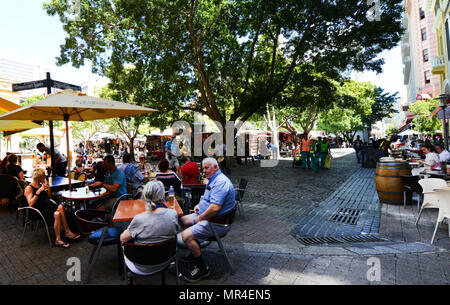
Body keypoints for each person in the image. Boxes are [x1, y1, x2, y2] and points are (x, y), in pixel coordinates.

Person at [179, 158, 236, 282]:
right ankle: (195, 248)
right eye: (203, 168)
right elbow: (208, 199)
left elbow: (215, 208)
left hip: (216, 222)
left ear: (215, 167)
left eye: (207, 168)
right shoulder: (213, 179)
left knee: (185, 236)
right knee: (182, 220)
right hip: (207, 217)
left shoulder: (221, 182)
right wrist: (199, 206)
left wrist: (200, 218)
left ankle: (202, 268)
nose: (204, 171)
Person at [119, 180, 180, 276]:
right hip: (166, 260)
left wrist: (128, 230)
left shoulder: (139, 219)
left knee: (125, 239)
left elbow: (123, 239)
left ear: (145, 196)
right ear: (163, 195)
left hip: (140, 264)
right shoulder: (173, 214)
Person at [24, 168, 80, 248]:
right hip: (36, 210)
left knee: (57, 214)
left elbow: (49, 196)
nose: (45, 177)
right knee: (60, 207)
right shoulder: (29, 188)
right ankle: (67, 231)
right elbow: (30, 204)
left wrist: (48, 187)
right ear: (38, 177)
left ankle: (58, 240)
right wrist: (39, 191)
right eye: (43, 175)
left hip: (45, 206)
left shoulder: (40, 185)